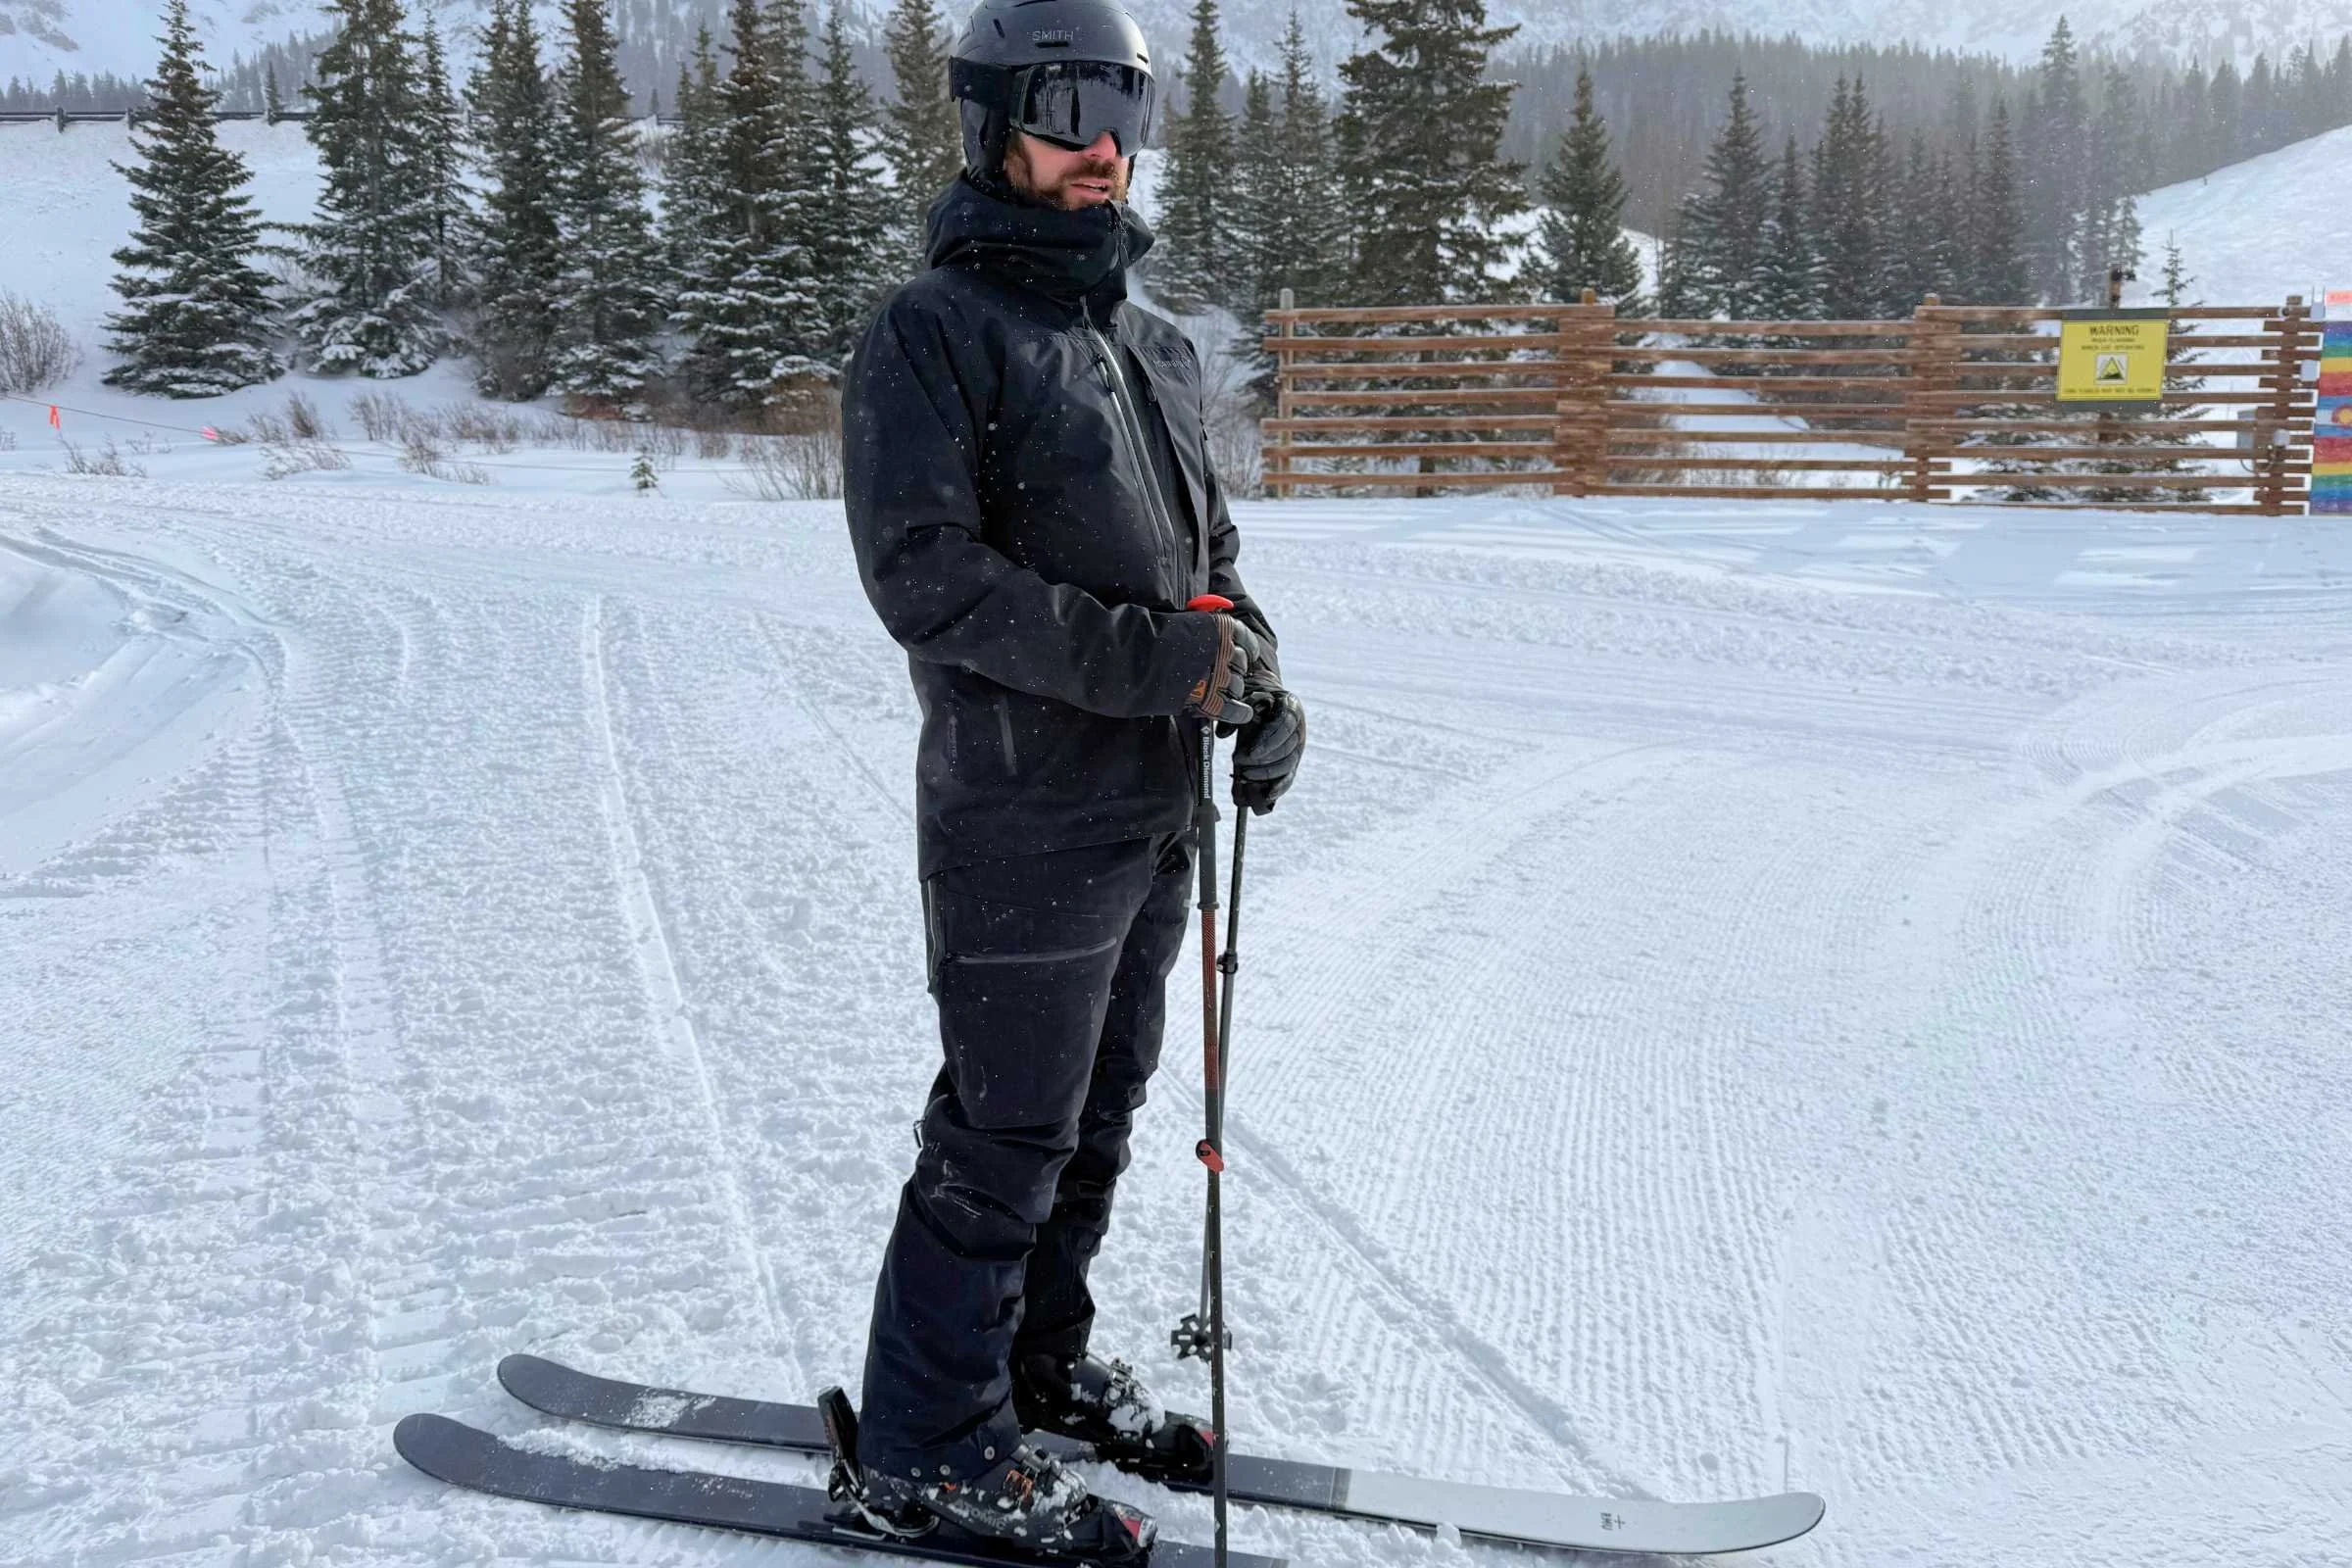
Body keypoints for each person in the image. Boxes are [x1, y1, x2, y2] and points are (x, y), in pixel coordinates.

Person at [838, 0, 1306, 1557]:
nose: (1100, 142)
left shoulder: (1149, 342)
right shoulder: (933, 331)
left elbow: (1210, 563)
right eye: (1063, 104)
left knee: (1096, 1120)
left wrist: (1258, 677)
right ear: (992, 123)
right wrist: (1156, 667)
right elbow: (929, 583)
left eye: (1124, 106)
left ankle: (1030, 1372)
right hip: (1020, 811)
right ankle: (924, 1440)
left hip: (1151, 813)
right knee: (1003, 1133)